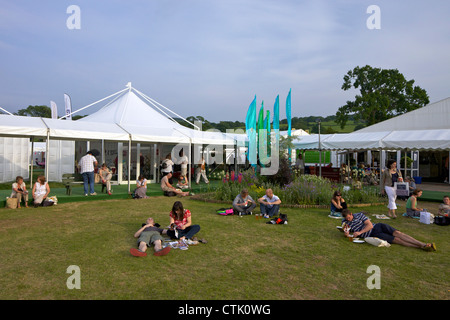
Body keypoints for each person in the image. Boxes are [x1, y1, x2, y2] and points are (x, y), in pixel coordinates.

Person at [341, 209, 436, 251]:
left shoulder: (359, 215)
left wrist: (360, 232)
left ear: (351, 214)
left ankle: (422, 244)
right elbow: (347, 234)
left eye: (349, 217)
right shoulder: (345, 222)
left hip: (377, 227)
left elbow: (369, 225)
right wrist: (347, 234)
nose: (348, 219)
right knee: (397, 241)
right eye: (346, 218)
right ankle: (422, 247)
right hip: (374, 235)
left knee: (399, 234)